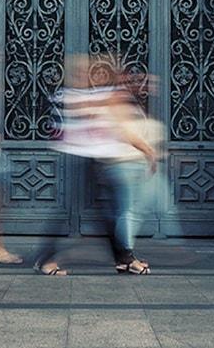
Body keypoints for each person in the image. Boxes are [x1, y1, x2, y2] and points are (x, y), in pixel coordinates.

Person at [34, 57, 158, 276]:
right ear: (71, 74)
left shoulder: (93, 95)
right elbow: (70, 117)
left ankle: (124, 259)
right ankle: (45, 259)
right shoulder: (66, 96)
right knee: (71, 215)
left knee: (107, 213)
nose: (83, 74)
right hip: (74, 159)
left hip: (95, 159)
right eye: (78, 71)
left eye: (85, 71)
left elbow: (111, 116)